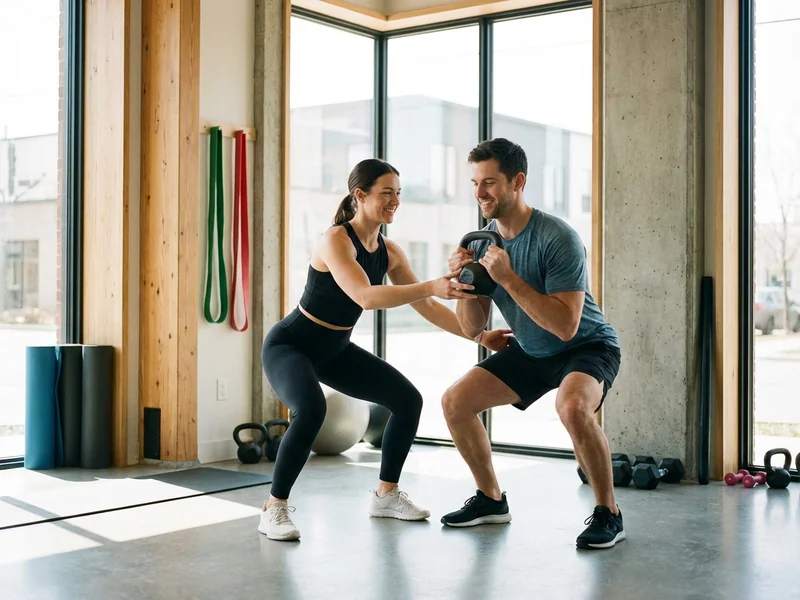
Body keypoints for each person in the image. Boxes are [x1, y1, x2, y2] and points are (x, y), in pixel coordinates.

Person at [259, 158, 512, 541]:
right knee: (311, 409)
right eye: (386, 193)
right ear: (359, 196)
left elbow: (427, 306)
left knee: (407, 400)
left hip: (335, 348)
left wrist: (479, 336)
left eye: (399, 193)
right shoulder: (335, 240)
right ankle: (274, 508)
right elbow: (365, 296)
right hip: (290, 346)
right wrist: (429, 285)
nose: (394, 201)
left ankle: (386, 494)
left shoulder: (389, 250)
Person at [440, 138, 624, 550]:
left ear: (517, 182)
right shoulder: (479, 242)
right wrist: (462, 285)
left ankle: (608, 513)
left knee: (573, 407)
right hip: (530, 348)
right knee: (455, 402)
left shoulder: (557, 237)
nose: (479, 193)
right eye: (474, 183)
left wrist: (507, 278)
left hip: (586, 345)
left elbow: (565, 325)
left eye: (489, 182)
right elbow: (473, 328)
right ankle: (490, 499)